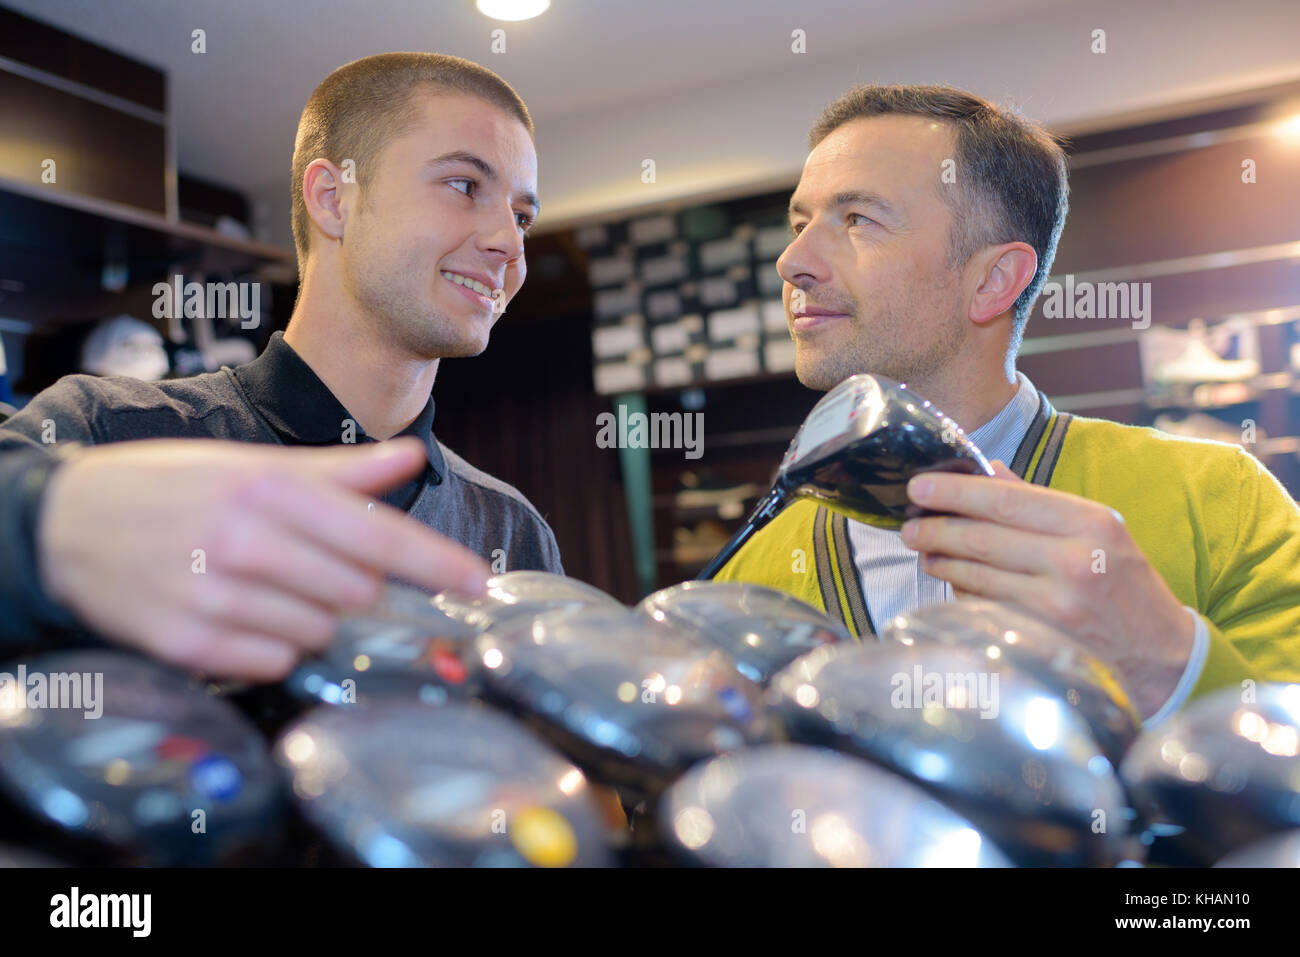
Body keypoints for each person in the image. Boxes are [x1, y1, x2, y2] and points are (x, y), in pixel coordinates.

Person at [713, 84, 1300, 722]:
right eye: (800, 225)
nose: (792, 261)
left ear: (994, 280)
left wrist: (1164, 662)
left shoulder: (1219, 503)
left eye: (857, 220)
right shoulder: (748, 569)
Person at [0, 53, 560, 680]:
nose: (510, 245)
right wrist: (42, 528)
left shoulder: (516, 532)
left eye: (521, 217)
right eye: (464, 186)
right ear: (332, 199)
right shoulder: (103, 432)